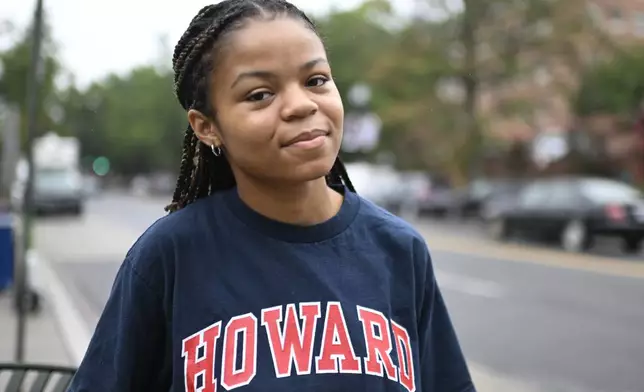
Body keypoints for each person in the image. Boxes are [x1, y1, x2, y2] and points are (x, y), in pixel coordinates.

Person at [67, 0, 476, 391]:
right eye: (260, 94)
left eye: (316, 81)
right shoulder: (168, 256)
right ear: (207, 126)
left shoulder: (399, 251)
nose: (301, 105)